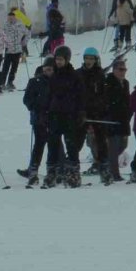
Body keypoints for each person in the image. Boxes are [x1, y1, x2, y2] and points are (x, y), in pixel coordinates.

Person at [45, 46, 86, 188]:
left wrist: (80, 112)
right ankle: (52, 172)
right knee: (53, 144)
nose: (58, 62)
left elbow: (80, 96)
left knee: (71, 145)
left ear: (67, 60)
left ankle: (73, 173)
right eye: (57, 59)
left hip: (70, 115)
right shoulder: (53, 76)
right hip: (55, 115)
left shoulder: (74, 76)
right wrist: (47, 112)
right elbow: (49, 96)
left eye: (61, 60)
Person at [21, 58, 54, 186]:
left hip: (53, 118)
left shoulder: (56, 82)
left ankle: (55, 169)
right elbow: (27, 99)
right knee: (39, 144)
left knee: (53, 144)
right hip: (38, 118)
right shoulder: (35, 81)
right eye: (45, 68)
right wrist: (36, 108)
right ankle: (33, 169)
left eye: (50, 69)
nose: (47, 71)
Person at [77, 47, 108, 177]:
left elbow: (103, 95)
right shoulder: (78, 73)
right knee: (77, 139)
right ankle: (71, 164)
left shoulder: (100, 74)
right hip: (81, 112)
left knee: (100, 139)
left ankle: (103, 164)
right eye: (86, 58)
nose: (88, 61)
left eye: (91, 58)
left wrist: (99, 107)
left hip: (96, 113)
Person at [102, 59, 130, 184]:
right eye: (120, 69)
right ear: (114, 70)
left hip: (123, 119)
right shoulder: (108, 82)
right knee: (113, 146)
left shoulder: (126, 83)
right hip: (111, 119)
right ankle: (114, 172)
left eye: (124, 69)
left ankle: (106, 164)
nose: (122, 72)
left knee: (122, 145)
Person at [0, 10, 29, 91]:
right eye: (9, 18)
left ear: (14, 17)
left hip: (17, 50)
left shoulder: (20, 25)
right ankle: (2, 83)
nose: (10, 19)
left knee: (14, 68)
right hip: (8, 50)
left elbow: (27, 33)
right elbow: (1, 36)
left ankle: (10, 82)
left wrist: (24, 42)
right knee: (5, 67)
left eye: (12, 18)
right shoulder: (5, 26)